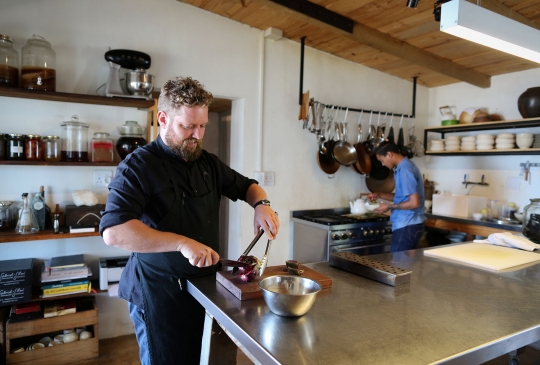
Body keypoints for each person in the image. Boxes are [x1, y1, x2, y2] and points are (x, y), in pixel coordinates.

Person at [99, 76, 280, 365]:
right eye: (188, 126)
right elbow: (114, 232)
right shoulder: (138, 166)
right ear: (163, 119)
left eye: (202, 126)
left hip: (205, 289)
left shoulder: (207, 163)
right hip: (159, 293)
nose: (197, 134)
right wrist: (181, 243)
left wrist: (262, 204)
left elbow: (248, 186)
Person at [367, 140, 425, 252]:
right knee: (406, 265)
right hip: (410, 225)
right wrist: (379, 194)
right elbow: (402, 198)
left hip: (407, 226)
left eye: (382, 160)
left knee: (398, 265)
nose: (383, 164)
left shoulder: (405, 170)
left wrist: (388, 207)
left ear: (389, 154)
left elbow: (414, 203)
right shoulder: (405, 167)